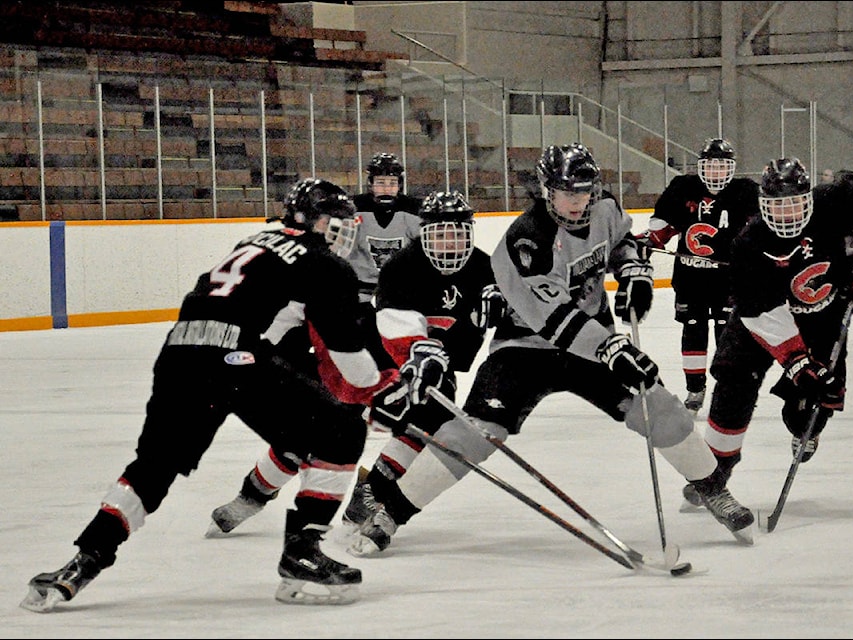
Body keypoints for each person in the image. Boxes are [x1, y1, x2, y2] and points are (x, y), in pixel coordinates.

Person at [20, 178, 410, 611]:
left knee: (155, 464)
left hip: (179, 353)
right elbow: (349, 358)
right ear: (313, 221)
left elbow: (271, 321)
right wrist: (383, 388)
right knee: (341, 433)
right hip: (233, 359)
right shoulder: (324, 263)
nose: (341, 229)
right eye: (334, 220)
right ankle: (302, 553)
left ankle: (82, 562)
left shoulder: (258, 239)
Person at [349, 142, 756, 556]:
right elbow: (556, 321)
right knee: (474, 433)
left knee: (658, 407)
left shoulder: (605, 208)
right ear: (547, 189)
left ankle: (714, 490)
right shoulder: (527, 241)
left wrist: (631, 268)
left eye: (584, 191)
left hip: (594, 344)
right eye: (567, 192)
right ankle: (391, 513)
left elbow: (619, 241)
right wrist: (613, 348)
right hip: (525, 348)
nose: (577, 201)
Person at [205, 190, 504, 538]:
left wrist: (504, 300)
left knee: (431, 422)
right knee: (316, 430)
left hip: (437, 367)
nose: (449, 241)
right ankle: (251, 496)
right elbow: (394, 329)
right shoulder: (401, 267)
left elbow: (508, 321)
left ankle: (371, 490)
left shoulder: (486, 270)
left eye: (456, 232)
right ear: (423, 232)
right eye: (440, 232)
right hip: (383, 361)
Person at [680, 157, 853, 511]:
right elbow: (759, 311)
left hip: (822, 319)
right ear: (763, 204)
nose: (787, 213)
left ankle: (807, 426)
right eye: (778, 205)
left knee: (810, 406)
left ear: (808, 197)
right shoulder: (750, 242)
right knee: (733, 383)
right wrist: (795, 361)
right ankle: (714, 473)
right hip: (760, 323)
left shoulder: (834, 203)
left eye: (793, 203)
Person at [636, 138, 759, 413]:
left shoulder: (746, 192)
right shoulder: (683, 187)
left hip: (729, 280)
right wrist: (647, 243)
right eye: (711, 166)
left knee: (726, 333)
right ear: (701, 167)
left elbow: (759, 234)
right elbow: (662, 229)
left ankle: (725, 389)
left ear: (732, 168)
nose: (716, 173)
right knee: (693, 328)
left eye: (722, 166)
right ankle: (695, 389)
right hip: (690, 279)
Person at [350, 152, 424, 304]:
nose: (386, 189)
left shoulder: (413, 209)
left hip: (399, 285)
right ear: (371, 184)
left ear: (400, 185)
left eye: (392, 183)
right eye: (381, 183)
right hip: (361, 286)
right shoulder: (354, 208)